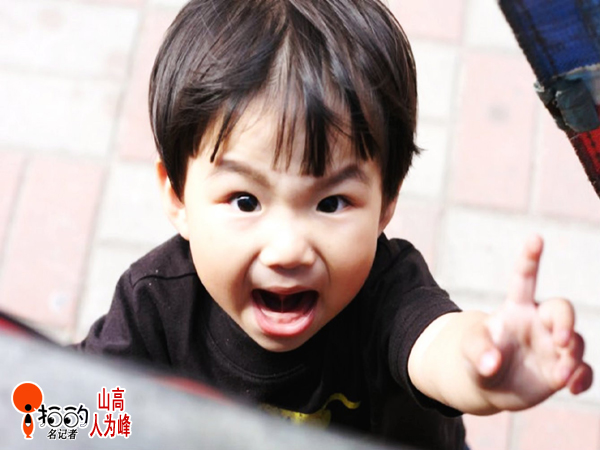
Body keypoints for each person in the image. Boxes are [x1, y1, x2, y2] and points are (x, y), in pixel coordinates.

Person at [76, 0, 593, 448]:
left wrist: (484, 364)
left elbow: (437, 346)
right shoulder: (155, 307)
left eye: (330, 203)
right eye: (245, 201)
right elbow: (71, 401)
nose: (287, 250)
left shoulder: (385, 292)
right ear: (177, 196)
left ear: (386, 201)